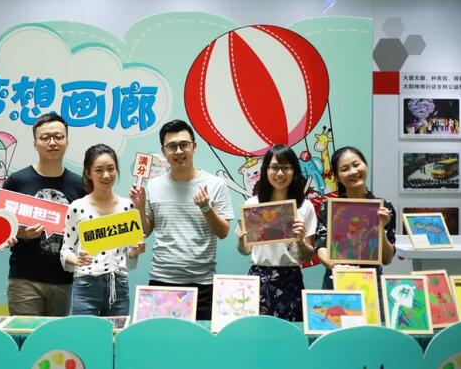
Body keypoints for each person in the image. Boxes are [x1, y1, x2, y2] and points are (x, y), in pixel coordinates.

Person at [130, 119, 234, 320]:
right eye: (172, 146)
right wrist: (140, 208)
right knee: (161, 338)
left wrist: (206, 208)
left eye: (184, 145)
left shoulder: (215, 184)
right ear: (163, 151)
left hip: (203, 283)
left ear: (194, 146)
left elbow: (223, 232)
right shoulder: (153, 185)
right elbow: (146, 230)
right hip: (161, 281)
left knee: (201, 338)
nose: (178, 151)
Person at [4, 113, 85, 316]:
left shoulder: (79, 185)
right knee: (26, 333)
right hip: (24, 278)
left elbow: (86, 229)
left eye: (58, 137)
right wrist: (20, 232)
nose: (52, 142)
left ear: (67, 141)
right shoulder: (17, 181)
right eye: (45, 138)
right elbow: (0, 228)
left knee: (54, 335)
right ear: (35, 143)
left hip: (64, 279)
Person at [60, 144, 146, 316]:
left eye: (111, 169)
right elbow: (66, 249)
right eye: (99, 170)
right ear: (88, 173)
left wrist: (135, 251)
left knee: (117, 332)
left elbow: (128, 253)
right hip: (86, 285)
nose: (106, 175)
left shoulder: (127, 206)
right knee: (86, 332)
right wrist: (77, 259)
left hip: (119, 285)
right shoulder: (77, 207)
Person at [237, 144, 316, 322]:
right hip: (258, 278)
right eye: (274, 167)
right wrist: (241, 241)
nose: (280, 173)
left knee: (291, 331)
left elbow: (308, 255)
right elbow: (244, 251)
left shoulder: (305, 206)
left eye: (286, 167)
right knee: (257, 330)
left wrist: (300, 241)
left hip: (291, 278)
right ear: (266, 170)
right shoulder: (252, 205)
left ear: (294, 170)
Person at [314, 146, 396, 290]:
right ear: (337, 177)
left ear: (366, 165)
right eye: (345, 169)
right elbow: (321, 246)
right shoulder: (329, 207)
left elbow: (387, 259)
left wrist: (379, 229)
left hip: (371, 283)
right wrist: (336, 266)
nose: (353, 171)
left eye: (356, 165)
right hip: (337, 279)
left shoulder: (384, 207)